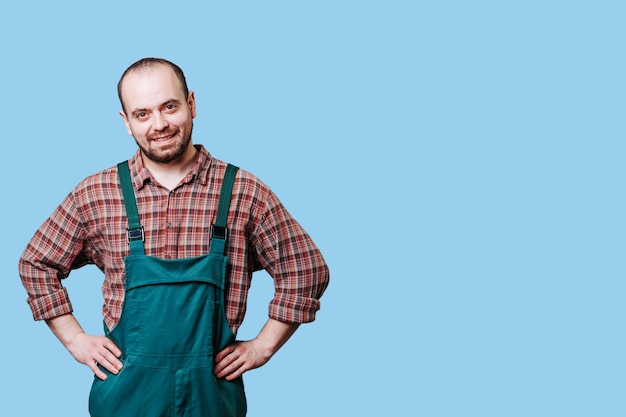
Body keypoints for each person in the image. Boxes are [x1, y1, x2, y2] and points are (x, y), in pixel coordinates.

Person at [18, 57, 330, 416]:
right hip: (125, 399)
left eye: (169, 107)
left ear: (192, 104)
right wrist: (74, 339)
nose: (159, 124)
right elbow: (36, 263)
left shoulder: (244, 191)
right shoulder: (96, 193)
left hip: (211, 399)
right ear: (126, 122)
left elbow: (307, 270)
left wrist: (263, 346)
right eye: (143, 113)